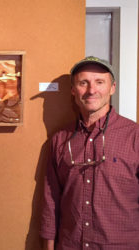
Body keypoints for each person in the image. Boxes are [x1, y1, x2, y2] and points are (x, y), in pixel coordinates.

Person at [39, 56, 139, 250]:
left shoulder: (134, 136)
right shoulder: (60, 140)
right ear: (73, 90)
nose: (91, 90)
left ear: (112, 88)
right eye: (83, 83)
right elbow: (50, 201)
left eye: (99, 82)